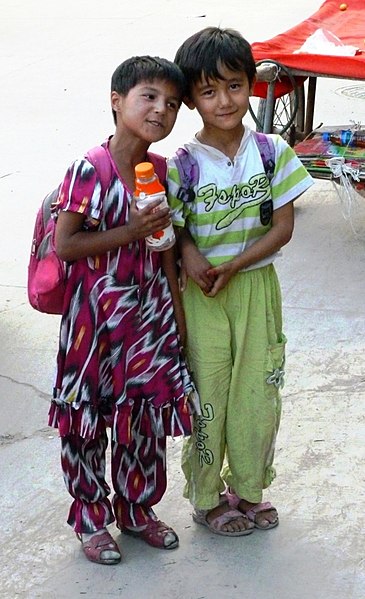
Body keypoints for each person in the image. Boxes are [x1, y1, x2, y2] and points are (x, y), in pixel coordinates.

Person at [48, 56, 195, 565]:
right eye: (148, 97)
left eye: (172, 104)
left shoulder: (161, 171)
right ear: (117, 101)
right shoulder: (90, 167)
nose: (161, 110)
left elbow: (170, 255)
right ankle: (90, 518)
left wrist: (177, 325)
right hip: (94, 324)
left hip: (149, 322)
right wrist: (129, 232)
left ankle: (136, 511)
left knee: (144, 422)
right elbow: (65, 246)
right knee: (86, 423)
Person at [167, 27, 314, 536]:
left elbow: (284, 228)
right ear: (190, 99)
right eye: (208, 91)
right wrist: (190, 255)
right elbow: (176, 229)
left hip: (255, 288)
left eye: (233, 85)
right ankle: (207, 497)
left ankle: (249, 490)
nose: (223, 100)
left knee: (257, 392)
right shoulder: (182, 165)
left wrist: (235, 264)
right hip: (204, 297)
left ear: (251, 84)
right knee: (209, 396)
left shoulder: (271, 150)